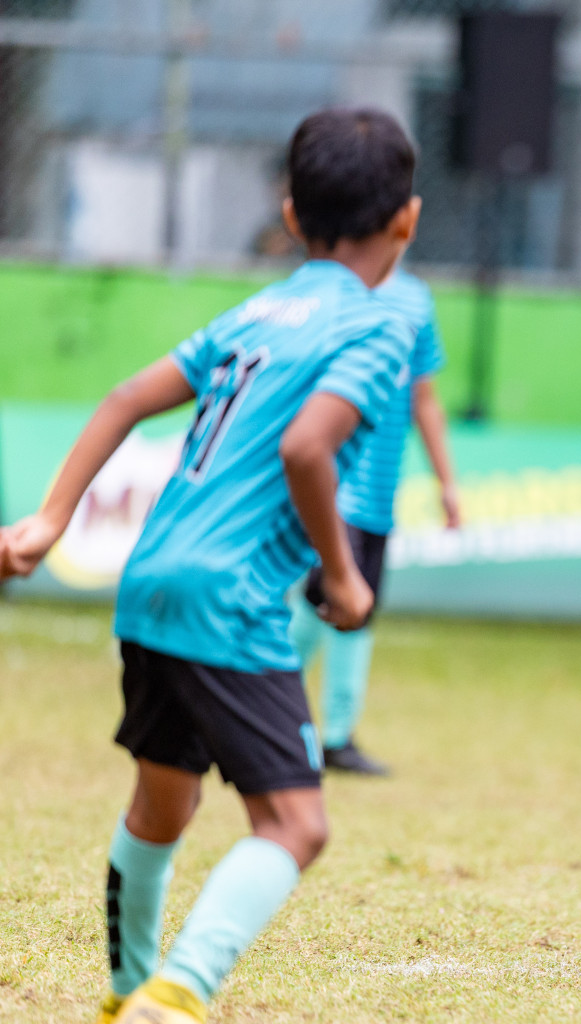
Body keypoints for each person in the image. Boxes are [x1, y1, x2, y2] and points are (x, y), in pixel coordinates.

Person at [0, 107, 420, 1023]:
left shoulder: (260, 308)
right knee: (296, 826)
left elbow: (123, 399)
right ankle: (175, 997)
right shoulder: (379, 327)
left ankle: (122, 997)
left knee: (162, 804)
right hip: (228, 595)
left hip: (150, 581)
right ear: (407, 220)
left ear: (289, 211)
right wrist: (345, 578)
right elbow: (310, 449)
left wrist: (47, 521)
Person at [288, 268, 460, 776]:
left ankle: (337, 737)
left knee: (355, 607)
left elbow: (423, 399)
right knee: (327, 598)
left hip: (382, 491)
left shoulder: (416, 298)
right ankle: (253, 701)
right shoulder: (324, 289)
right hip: (335, 484)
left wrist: (446, 480)